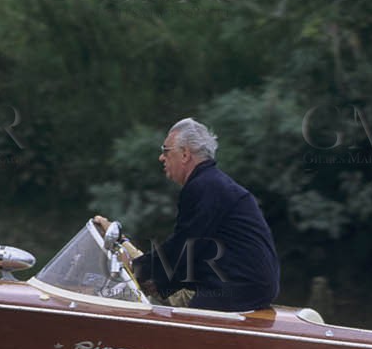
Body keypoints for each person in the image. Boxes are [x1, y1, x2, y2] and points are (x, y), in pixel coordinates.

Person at [97, 118, 280, 312]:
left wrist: (137, 268)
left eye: (165, 151)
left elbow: (185, 245)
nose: (161, 158)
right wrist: (158, 282)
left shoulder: (204, 186)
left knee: (181, 323)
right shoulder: (212, 183)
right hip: (248, 287)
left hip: (238, 290)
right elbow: (194, 253)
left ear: (184, 154)